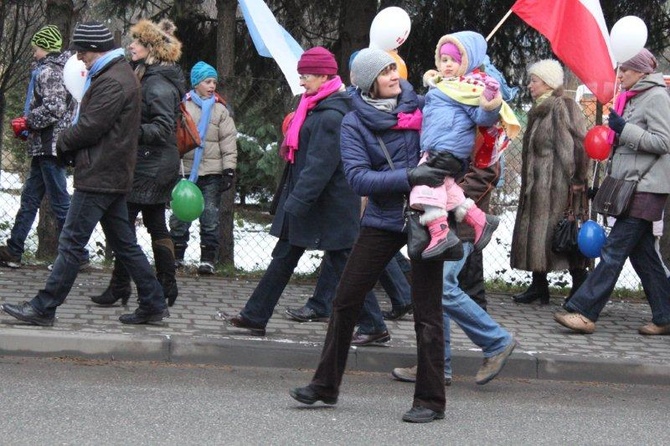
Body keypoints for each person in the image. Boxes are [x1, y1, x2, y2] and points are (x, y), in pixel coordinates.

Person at [290, 48, 452, 423]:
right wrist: (409, 176)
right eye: (384, 72)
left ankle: (430, 400)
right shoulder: (353, 122)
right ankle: (325, 386)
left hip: (425, 218)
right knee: (345, 300)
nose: (394, 75)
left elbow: (460, 127)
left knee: (428, 312)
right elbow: (358, 178)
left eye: (393, 68)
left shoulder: (424, 105)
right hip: (381, 219)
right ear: (368, 83)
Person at [0, 21, 167, 326]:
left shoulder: (112, 80)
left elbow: (91, 126)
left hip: (101, 172)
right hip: (110, 170)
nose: (78, 58)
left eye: (82, 51)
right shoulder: (113, 73)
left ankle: (44, 307)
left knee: (71, 241)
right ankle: (154, 301)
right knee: (125, 244)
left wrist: (60, 143)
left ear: (95, 49)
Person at [220, 47, 390, 344]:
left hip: (327, 206)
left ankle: (373, 325)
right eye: (300, 75)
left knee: (344, 265)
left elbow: (319, 167)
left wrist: (296, 203)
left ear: (324, 75)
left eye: (306, 75)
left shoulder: (331, 114)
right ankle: (255, 316)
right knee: (286, 257)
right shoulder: (317, 106)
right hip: (314, 204)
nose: (301, 81)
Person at [554, 48, 670, 335]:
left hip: (646, 187)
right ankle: (665, 315)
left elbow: (663, 142)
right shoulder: (631, 98)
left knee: (613, 251)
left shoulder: (656, 97)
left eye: (626, 71)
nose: (620, 75)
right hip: (631, 186)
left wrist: (625, 129)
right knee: (643, 256)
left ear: (642, 72)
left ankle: (584, 311)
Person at [91, 19, 184, 308]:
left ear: (151, 49)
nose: (130, 45)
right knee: (152, 223)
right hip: (152, 163)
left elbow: (162, 128)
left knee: (122, 222)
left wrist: (128, 129)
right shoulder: (147, 75)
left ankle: (126, 284)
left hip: (151, 167)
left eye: (137, 43)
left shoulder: (157, 84)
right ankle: (163, 283)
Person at [412, 31, 504, 261]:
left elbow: (482, 118)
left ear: (465, 62)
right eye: (444, 60)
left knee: (423, 184)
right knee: (446, 187)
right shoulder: (440, 86)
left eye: (454, 60)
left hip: (451, 148)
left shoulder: (468, 88)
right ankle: (480, 220)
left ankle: (440, 232)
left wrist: (490, 101)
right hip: (434, 147)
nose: (448, 65)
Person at [510, 59, 589, 305]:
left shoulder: (562, 107)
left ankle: (580, 285)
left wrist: (578, 179)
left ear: (548, 83)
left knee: (565, 235)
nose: (530, 85)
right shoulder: (540, 110)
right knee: (539, 236)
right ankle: (539, 286)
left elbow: (578, 145)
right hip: (538, 187)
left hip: (561, 187)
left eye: (534, 81)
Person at [0, 25, 77, 269]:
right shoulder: (61, 70)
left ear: (45, 48)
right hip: (44, 146)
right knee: (30, 198)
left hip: (50, 146)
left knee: (60, 203)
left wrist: (28, 121)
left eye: (36, 49)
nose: (34, 54)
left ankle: (75, 256)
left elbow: (55, 108)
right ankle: (14, 250)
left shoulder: (50, 72)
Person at [392, 240, 516, 386]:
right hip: (439, 232)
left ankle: (496, 341)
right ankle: (436, 366)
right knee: (435, 289)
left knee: (443, 288)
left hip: (457, 231)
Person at [169, 61, 237, 275]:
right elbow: (176, 137)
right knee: (180, 215)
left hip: (212, 172)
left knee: (209, 216)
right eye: (207, 81)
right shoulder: (183, 106)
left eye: (214, 82)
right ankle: (176, 255)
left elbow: (228, 141)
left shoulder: (220, 110)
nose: (212, 85)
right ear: (196, 83)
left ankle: (208, 259)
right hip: (185, 171)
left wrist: (228, 169)